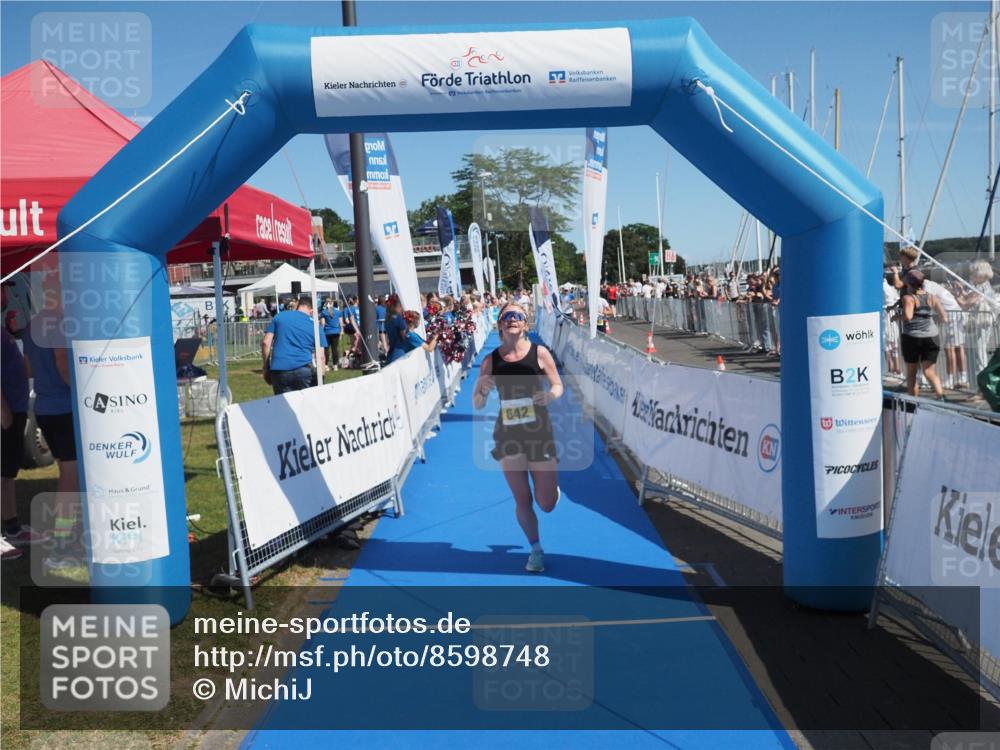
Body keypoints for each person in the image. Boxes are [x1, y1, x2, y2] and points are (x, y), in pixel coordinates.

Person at [472, 302, 564, 573]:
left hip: (539, 432)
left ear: (525, 323)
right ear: (500, 324)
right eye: (507, 316)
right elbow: (477, 402)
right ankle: (535, 550)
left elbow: (558, 384)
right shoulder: (491, 360)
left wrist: (549, 395)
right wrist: (483, 390)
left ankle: (552, 492)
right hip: (508, 435)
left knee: (545, 503)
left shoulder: (539, 353)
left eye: (518, 315)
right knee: (522, 499)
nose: (512, 319)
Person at [1, 328, 47, 559]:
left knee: (7, 473)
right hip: (6, 411)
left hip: (16, 408)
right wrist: (2, 408)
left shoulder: (3, 331)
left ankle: (12, 529)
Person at [262, 294, 324, 394]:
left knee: (283, 405)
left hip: (279, 370)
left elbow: (266, 343)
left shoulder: (279, 317)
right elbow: (321, 357)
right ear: (311, 311)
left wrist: (266, 367)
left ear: (298, 306)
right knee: (305, 405)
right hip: (303, 369)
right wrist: (321, 379)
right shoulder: (315, 325)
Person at [900, 270, 947, 400]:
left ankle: (913, 401)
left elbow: (908, 316)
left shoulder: (908, 298)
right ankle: (941, 397)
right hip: (932, 337)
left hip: (912, 337)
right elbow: (944, 318)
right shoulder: (932, 297)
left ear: (909, 283)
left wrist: (897, 317)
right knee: (929, 371)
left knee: (911, 373)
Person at [320, 298, 342, 370]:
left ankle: (326, 365)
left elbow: (322, 324)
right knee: (335, 349)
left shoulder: (324, 312)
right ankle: (335, 365)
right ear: (332, 303)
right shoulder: (338, 312)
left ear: (326, 304)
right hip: (336, 332)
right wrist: (341, 331)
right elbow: (340, 323)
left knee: (326, 349)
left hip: (327, 332)